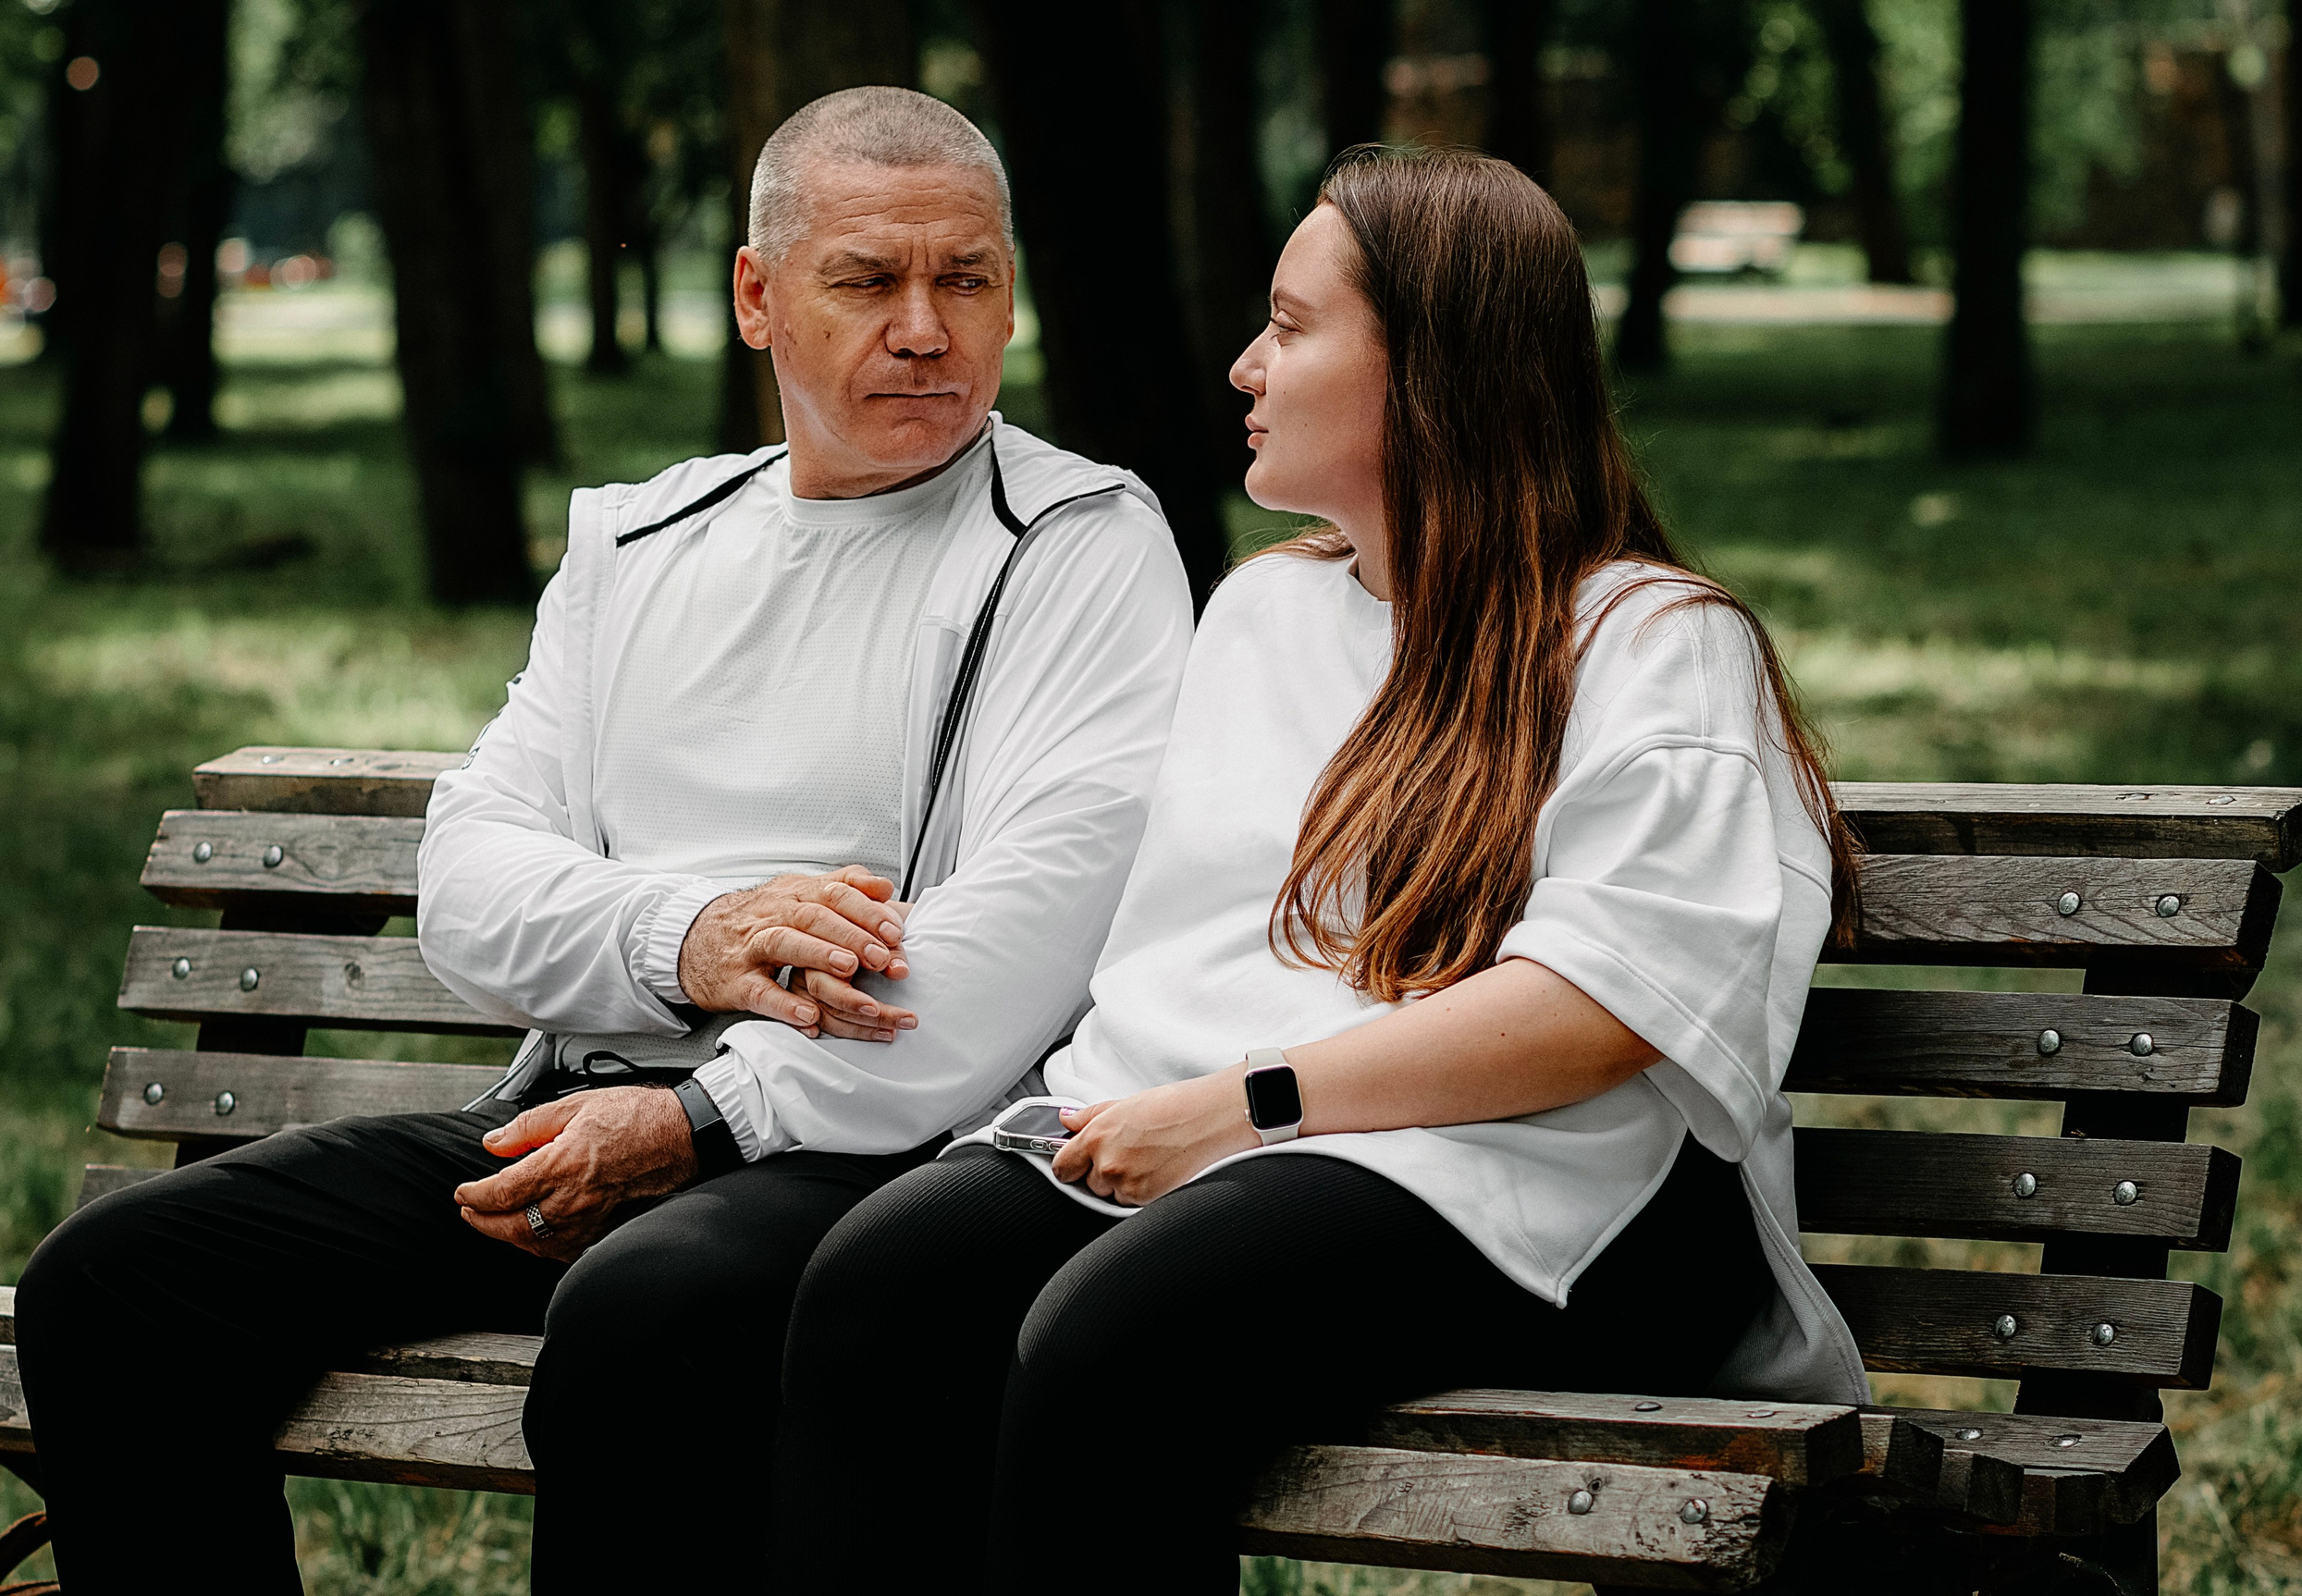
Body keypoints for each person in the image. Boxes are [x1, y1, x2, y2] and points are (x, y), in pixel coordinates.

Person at [15, 87, 1191, 1593]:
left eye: (965, 279)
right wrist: (688, 936)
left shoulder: (1075, 543)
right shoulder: (641, 541)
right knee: (117, 1285)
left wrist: (700, 1121)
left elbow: (1023, 939)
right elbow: (473, 877)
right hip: (576, 1114)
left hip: (869, 1156)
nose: (924, 326)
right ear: (759, 297)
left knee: (648, 1308)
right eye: (868, 280)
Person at [770, 145, 1871, 1595]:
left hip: (1537, 1180)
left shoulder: (1650, 642)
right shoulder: (1262, 614)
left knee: (1120, 1330)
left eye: (1291, 327)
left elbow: (1604, 1007)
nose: (1244, 365)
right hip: (1225, 1147)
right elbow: (1185, 953)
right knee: (882, 1284)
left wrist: (1244, 1107)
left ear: (1434, 368)